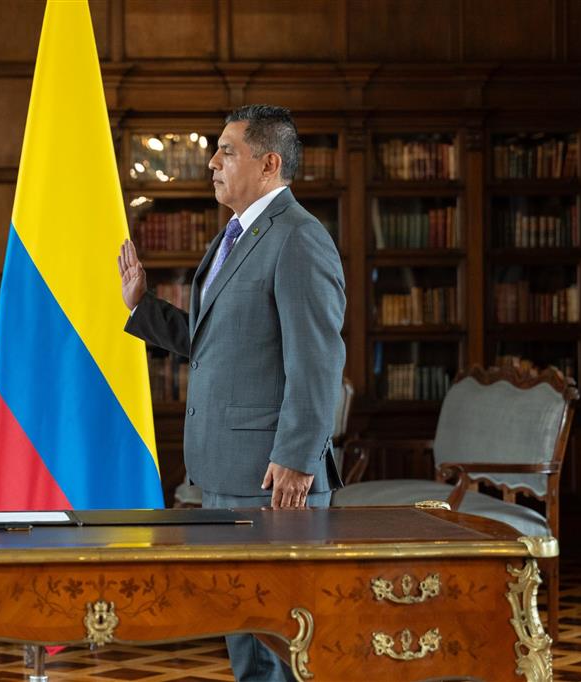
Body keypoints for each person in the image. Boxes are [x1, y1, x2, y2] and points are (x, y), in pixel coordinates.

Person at [117, 105, 346, 682]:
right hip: (226, 472)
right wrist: (142, 306)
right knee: (248, 643)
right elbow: (217, 341)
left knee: (282, 647)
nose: (212, 163)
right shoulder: (236, 234)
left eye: (227, 151)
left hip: (273, 478)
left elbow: (318, 359)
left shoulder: (299, 238)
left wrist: (298, 458)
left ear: (269, 164)